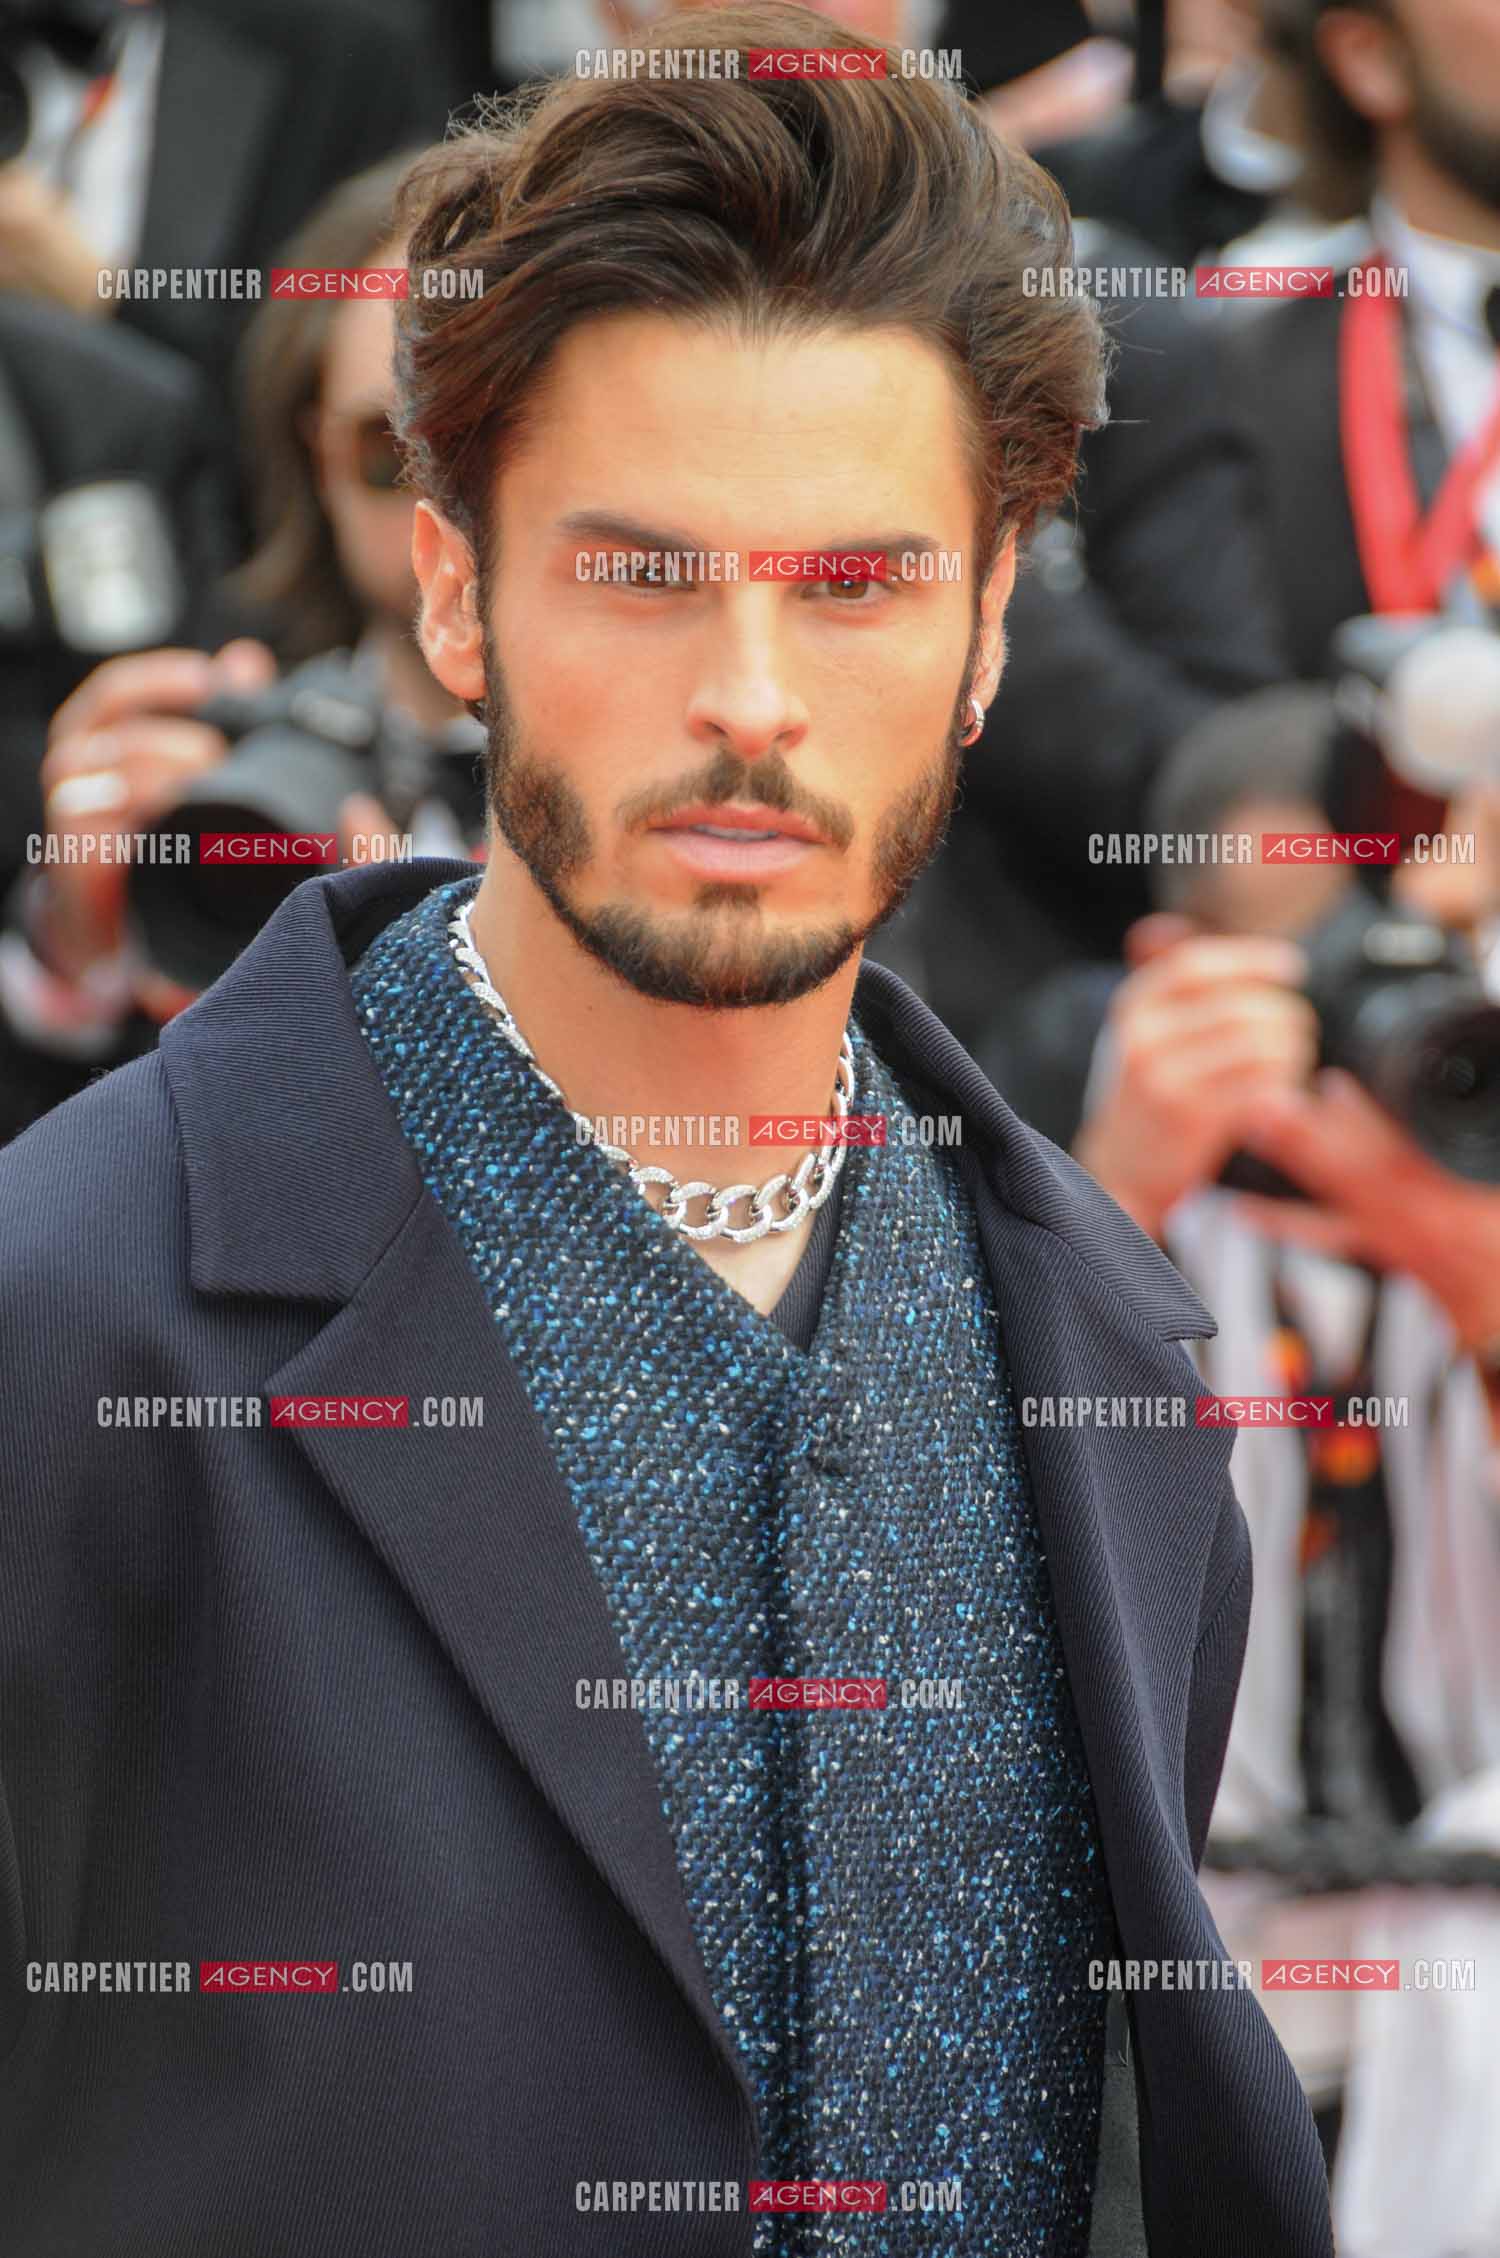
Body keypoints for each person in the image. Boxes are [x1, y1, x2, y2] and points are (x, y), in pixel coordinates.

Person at [0, 8, 1333, 2252]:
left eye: (858, 578)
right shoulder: (69, 1320)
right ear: (453, 587)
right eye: (641, 569)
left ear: (992, 621)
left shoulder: (1111, 1356)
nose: (749, 689)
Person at [1068, 686, 1500, 2173]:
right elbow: (961, 1560)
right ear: (1163, 975)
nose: (1355, 1038)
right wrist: (1111, 1197)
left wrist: (1470, 1266)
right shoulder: (1067, 1221)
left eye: (1404, 975)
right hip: (1190, 2000)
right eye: (1301, 983)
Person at [0, 152, 482, 1144]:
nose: (447, 513)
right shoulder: (216, 752)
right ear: (316, 455)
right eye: (390, 455)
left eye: (494, 446)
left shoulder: (734, 749)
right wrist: (78, 950)